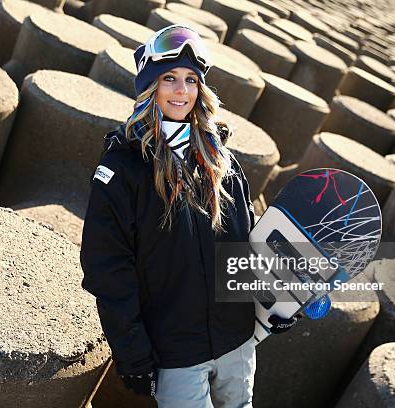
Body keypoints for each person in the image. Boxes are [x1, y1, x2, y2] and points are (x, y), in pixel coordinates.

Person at [80, 25, 298, 407]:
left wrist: (277, 301)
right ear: (150, 86)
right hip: (176, 354)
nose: (182, 91)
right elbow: (108, 271)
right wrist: (132, 354)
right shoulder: (123, 167)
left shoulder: (220, 161)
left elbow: (246, 249)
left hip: (238, 344)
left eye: (191, 80)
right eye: (169, 79)